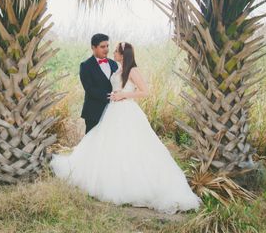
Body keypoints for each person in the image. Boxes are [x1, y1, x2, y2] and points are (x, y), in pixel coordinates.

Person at [50, 40, 201, 213]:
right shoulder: (118, 68)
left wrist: (123, 95)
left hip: (127, 111)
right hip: (113, 111)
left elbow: (145, 91)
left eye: (115, 51)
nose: (112, 53)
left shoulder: (133, 70)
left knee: (130, 146)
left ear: (123, 54)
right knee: (108, 145)